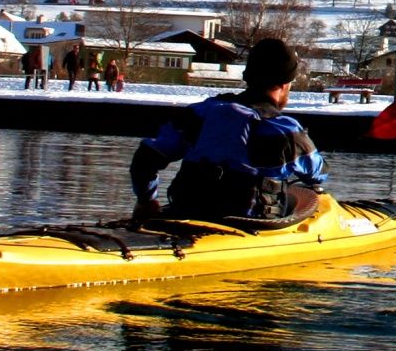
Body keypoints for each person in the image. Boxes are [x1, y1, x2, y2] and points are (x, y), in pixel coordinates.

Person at [129, 37, 325, 222]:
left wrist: (146, 200)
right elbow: (317, 173)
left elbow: (146, 158)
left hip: (186, 212)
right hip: (249, 223)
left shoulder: (200, 112)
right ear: (285, 84)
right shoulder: (284, 128)